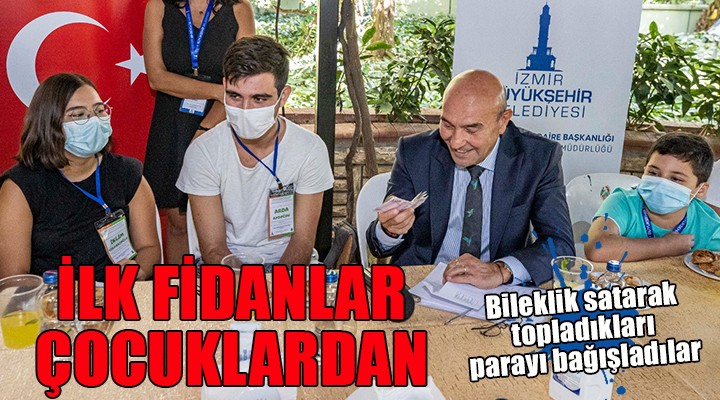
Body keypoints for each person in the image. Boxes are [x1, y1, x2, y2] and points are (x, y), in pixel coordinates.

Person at [366, 70, 574, 289]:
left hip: (497, 289)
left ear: (503, 121)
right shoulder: (415, 152)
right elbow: (378, 246)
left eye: (471, 129)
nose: (456, 142)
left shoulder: (538, 158)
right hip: (422, 284)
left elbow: (560, 244)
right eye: (447, 125)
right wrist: (390, 229)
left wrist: (501, 270)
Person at [176, 36, 335, 265]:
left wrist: (275, 283)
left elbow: (302, 242)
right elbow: (213, 248)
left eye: (259, 99)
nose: (245, 109)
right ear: (224, 87)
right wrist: (248, 282)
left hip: (290, 265)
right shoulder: (203, 152)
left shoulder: (310, 149)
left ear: (283, 96)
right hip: (227, 264)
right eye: (235, 96)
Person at [0, 73, 160, 281]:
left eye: (99, 110)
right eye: (78, 115)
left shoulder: (127, 172)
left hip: (118, 291)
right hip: (54, 296)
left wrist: (137, 271)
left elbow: (149, 248)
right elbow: (14, 279)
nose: (94, 121)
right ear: (49, 123)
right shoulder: (20, 187)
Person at [143, 0, 255, 264]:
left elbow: (244, 82)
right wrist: (218, 91)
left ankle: (226, 280)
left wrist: (207, 126)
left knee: (223, 217)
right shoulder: (158, 6)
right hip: (172, 122)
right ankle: (179, 287)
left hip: (222, 119)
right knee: (177, 221)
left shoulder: (239, 9)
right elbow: (156, 78)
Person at [585, 133, 720, 262]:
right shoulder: (622, 202)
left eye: (675, 179)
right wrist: (665, 245)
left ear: (700, 190)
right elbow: (596, 248)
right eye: (653, 173)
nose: (661, 183)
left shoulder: (710, 224)